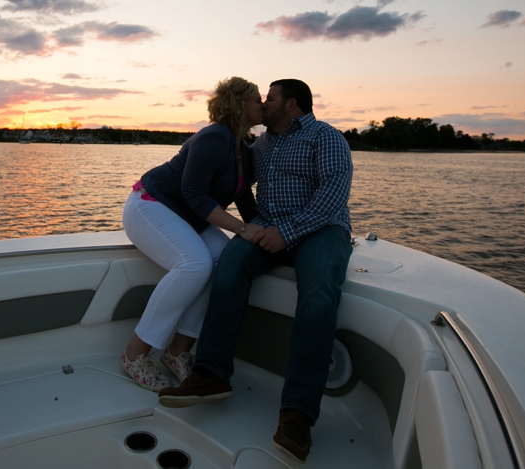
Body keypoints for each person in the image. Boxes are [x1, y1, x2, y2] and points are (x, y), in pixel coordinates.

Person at [157, 78, 353, 464]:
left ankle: (297, 414)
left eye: (271, 98)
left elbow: (334, 193)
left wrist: (288, 232)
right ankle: (211, 371)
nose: (264, 104)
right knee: (228, 264)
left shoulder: (325, 137)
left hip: (320, 229)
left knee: (318, 293)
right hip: (268, 226)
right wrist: (252, 227)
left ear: (292, 105)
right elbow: (239, 189)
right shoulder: (258, 146)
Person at [120, 77, 266, 392]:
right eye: (257, 100)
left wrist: (268, 231)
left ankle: (177, 353)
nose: (263, 105)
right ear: (240, 105)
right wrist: (242, 228)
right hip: (151, 204)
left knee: (221, 261)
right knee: (195, 263)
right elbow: (194, 194)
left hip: (187, 216)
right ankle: (135, 354)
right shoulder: (214, 137)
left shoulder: (243, 147)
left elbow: (243, 199)